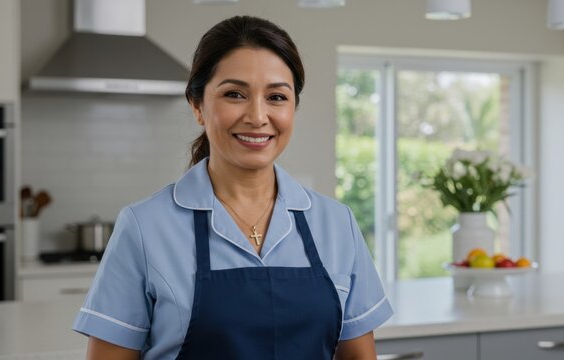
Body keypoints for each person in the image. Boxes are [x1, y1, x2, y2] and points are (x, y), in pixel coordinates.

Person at [72, 15, 393, 360]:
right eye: (235, 94)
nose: (257, 116)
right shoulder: (144, 226)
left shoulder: (336, 223)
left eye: (276, 97)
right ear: (197, 105)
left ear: (293, 108)